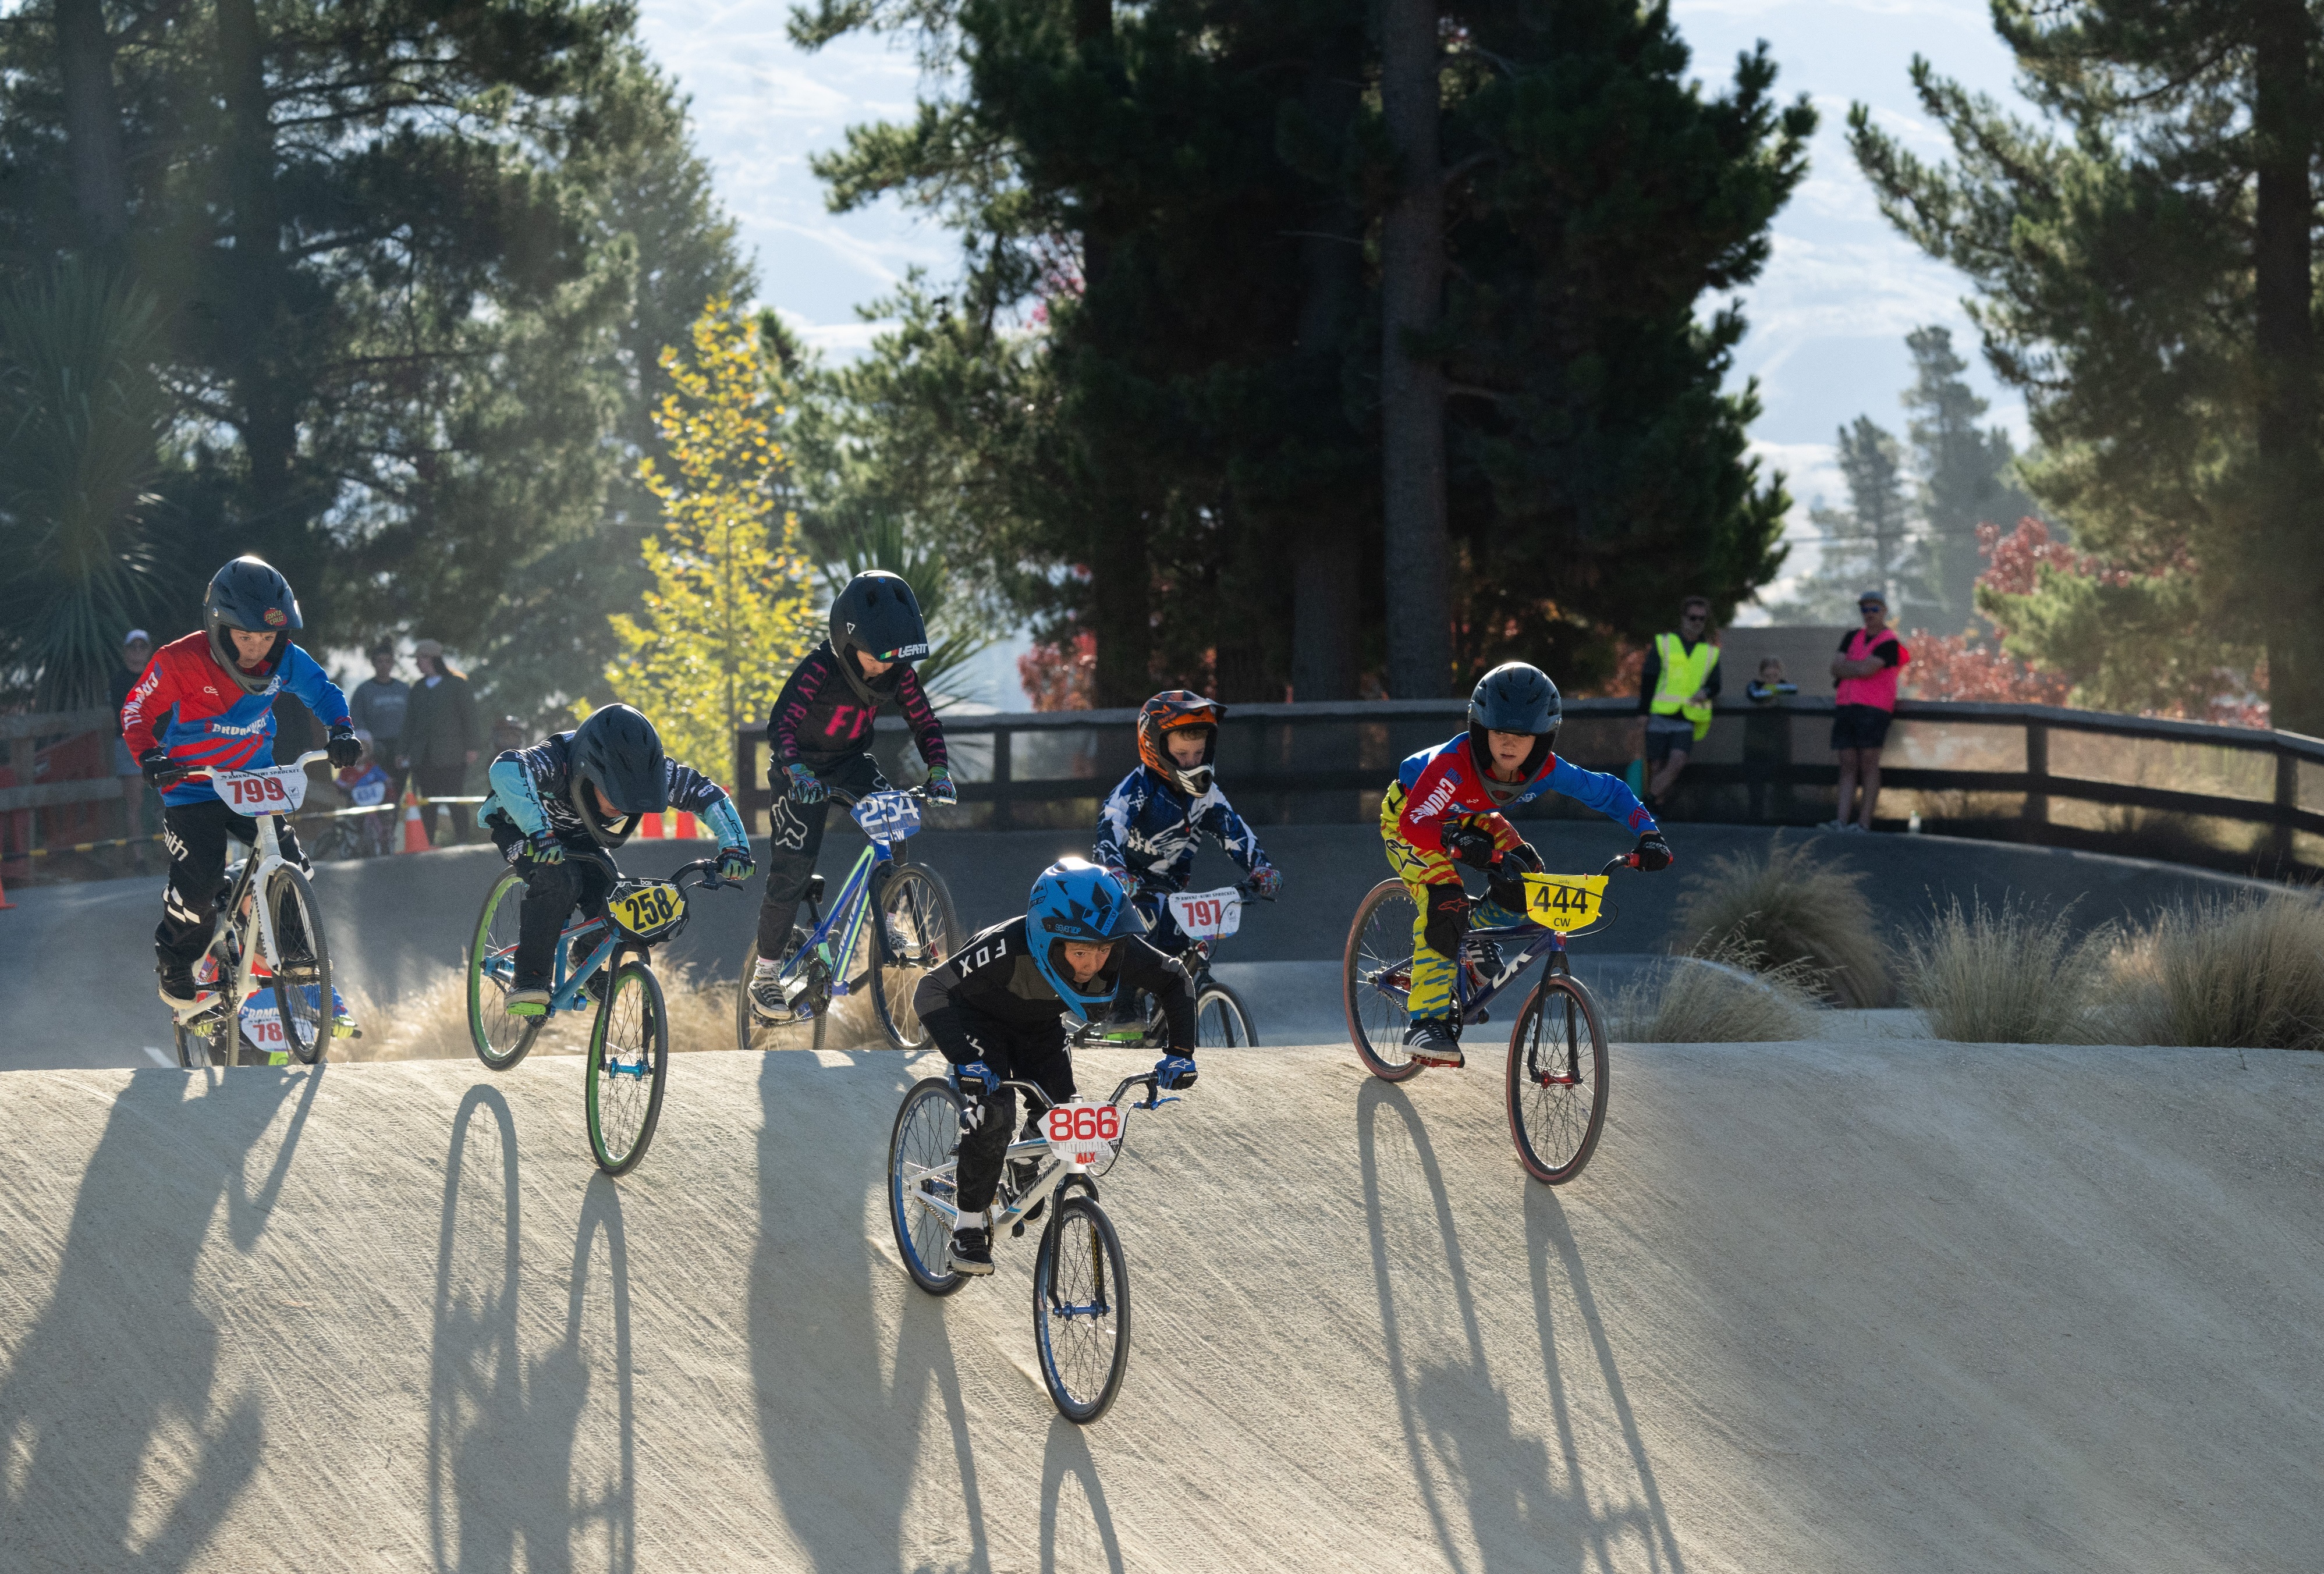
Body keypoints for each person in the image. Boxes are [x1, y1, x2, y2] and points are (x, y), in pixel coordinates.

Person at [911, 858, 1198, 1276]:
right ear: (1049, 938)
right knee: (995, 1112)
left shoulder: (1112, 943)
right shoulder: (1005, 946)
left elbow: (1175, 979)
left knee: (1062, 1111)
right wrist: (965, 1060)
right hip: (976, 1019)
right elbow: (930, 989)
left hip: (1039, 1026)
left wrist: (1180, 1052)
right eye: (1080, 951)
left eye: (1102, 951)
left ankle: (1023, 1162)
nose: (1092, 964)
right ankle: (968, 1225)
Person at [1382, 662, 1672, 1068]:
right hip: (1412, 818)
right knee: (1444, 903)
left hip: (1473, 818)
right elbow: (1416, 822)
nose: (1508, 743)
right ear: (1480, 729)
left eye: (1522, 735)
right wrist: (1451, 840)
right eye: (1498, 731)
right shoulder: (1452, 765)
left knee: (1526, 880)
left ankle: (1474, 941)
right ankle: (1426, 1022)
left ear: (1543, 738)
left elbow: (1609, 791)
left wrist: (1649, 834)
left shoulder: (1547, 769)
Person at [121, 557, 363, 1013]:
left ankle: (302, 971)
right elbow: (136, 710)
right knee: (198, 886)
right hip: (193, 787)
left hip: (254, 782)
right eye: (246, 636)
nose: (257, 649)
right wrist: (149, 754)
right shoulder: (180, 660)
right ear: (219, 626)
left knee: (294, 869)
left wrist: (342, 730)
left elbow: (325, 692)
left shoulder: (285, 659)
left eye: (268, 637)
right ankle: (175, 955)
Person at [750, 570, 955, 1021]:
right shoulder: (819, 667)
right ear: (846, 641)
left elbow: (925, 722)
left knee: (896, 822)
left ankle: (892, 920)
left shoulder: (897, 673)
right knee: (792, 871)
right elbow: (780, 724)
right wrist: (797, 769)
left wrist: (938, 770)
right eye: (875, 656)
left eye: (892, 658)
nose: (883, 667)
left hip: (850, 764)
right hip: (798, 771)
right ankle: (765, 975)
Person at [478, 704, 753, 1015]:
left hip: (580, 836)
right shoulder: (560, 760)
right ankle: (529, 978)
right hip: (521, 827)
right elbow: (505, 768)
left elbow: (709, 795)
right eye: (613, 792)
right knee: (559, 880)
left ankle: (583, 954)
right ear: (588, 772)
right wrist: (539, 832)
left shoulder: (654, 770)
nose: (623, 804)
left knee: (615, 898)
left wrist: (736, 848)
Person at [1092, 690, 1284, 954]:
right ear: (1154, 746)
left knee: (1189, 954)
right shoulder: (1136, 789)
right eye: (1182, 754)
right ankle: (1123, 994)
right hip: (1126, 887)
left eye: (1199, 753)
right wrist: (1114, 870)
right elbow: (1111, 828)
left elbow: (1234, 831)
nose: (1193, 762)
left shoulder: (1208, 796)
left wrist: (1262, 868)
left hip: (1173, 889)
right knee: (1133, 960)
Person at [1825, 591, 1911, 833]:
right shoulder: (1852, 636)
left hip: (1874, 709)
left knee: (1869, 764)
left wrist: (1848, 669)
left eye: (1874, 609)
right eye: (1865, 609)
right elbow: (1835, 667)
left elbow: (1866, 669)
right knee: (1847, 763)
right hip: (1846, 705)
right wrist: (1857, 669)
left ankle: (1863, 824)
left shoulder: (1889, 642)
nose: (1869, 614)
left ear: (1884, 611)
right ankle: (1841, 822)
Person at [1638, 596, 1720, 812]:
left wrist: (1707, 691)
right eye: (1693, 617)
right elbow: (1649, 677)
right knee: (1657, 766)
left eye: (1702, 619)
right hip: (1659, 713)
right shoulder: (1664, 643)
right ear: (1683, 618)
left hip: (1688, 717)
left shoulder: (1710, 651)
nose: (1697, 622)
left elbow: (1716, 684)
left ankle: (1644, 804)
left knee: (1677, 763)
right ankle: (1655, 814)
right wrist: (1643, 712)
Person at [402, 638, 477, 844]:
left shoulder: (457, 684)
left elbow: (469, 716)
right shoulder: (417, 688)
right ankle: (428, 842)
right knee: (427, 800)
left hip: (452, 754)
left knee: (455, 798)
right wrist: (403, 751)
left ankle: (463, 839)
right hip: (423, 756)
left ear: (432, 659)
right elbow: (409, 722)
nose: (417, 663)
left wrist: (471, 747)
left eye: (420, 659)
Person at [108, 629, 156, 866]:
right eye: (133, 646)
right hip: (128, 744)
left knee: (168, 797)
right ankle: (139, 857)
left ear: (149, 650)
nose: (138, 651)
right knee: (134, 802)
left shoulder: (156, 676)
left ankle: (168, 853)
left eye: (142, 646)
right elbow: (127, 712)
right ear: (126, 650)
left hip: (158, 742)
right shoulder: (118, 681)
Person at [347, 642, 410, 787]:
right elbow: (356, 720)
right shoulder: (363, 690)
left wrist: (407, 746)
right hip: (375, 749)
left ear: (393, 663)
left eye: (388, 661)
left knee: (399, 788)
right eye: (380, 661)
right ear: (374, 663)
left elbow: (412, 719)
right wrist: (369, 746)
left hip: (401, 748)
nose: (384, 665)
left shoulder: (404, 689)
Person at [333, 730, 396, 858]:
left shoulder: (373, 768)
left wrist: (388, 781)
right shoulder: (347, 771)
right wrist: (346, 787)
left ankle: (386, 838)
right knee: (353, 822)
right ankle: (354, 843)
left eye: (364, 750)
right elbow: (339, 782)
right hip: (357, 803)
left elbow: (385, 778)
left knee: (386, 816)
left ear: (369, 752)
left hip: (375, 802)